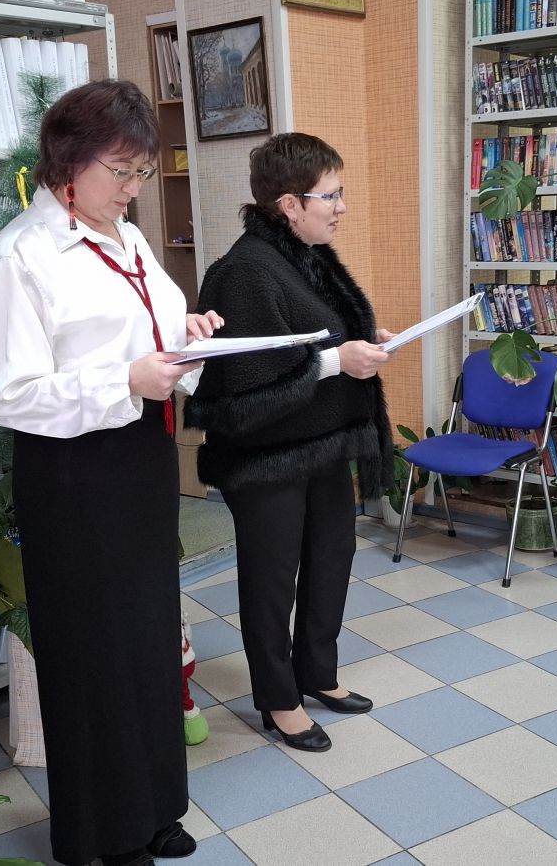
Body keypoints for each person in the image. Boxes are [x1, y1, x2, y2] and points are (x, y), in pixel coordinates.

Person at [0, 79, 221, 866]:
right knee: (95, 654)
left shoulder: (126, 236)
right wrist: (125, 378)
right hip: (73, 472)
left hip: (139, 454)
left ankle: (154, 807)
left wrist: (186, 335)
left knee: (146, 638)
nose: (132, 188)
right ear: (67, 162)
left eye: (141, 172)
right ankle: (104, 834)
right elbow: (12, 395)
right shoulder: (21, 257)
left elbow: (143, 330)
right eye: (121, 171)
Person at [184, 133, 394, 753]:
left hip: (322, 441)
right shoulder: (244, 271)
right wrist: (338, 360)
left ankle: (317, 674)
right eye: (330, 195)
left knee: (333, 557)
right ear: (289, 204)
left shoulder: (307, 254)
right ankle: (278, 699)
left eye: (340, 193)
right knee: (272, 579)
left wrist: (363, 337)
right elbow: (249, 381)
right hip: (266, 455)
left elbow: (313, 335)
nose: (341, 207)